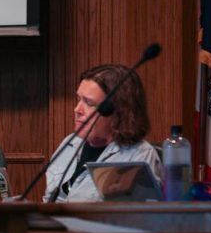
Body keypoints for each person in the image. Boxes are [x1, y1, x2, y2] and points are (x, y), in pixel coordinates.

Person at [43, 63, 161, 203]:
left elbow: (141, 219)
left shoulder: (138, 156)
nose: (77, 109)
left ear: (117, 111)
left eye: (89, 103)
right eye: (79, 99)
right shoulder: (70, 143)